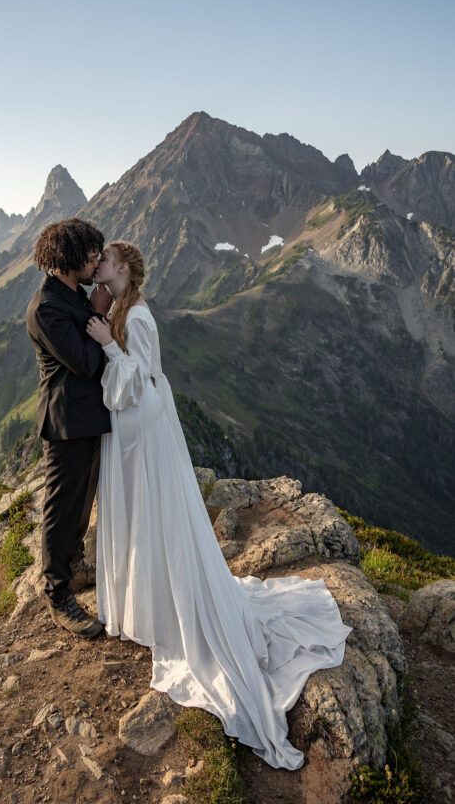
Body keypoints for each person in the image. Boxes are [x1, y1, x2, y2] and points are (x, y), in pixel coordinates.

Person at [85, 240, 353, 771]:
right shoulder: (118, 307)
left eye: (106, 261)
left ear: (124, 268)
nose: (99, 267)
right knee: (148, 517)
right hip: (137, 431)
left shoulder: (135, 315)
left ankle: (163, 607)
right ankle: (150, 601)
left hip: (141, 428)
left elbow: (137, 379)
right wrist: (100, 323)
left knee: (153, 516)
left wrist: (106, 346)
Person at [25, 217, 113, 639]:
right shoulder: (46, 307)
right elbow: (85, 362)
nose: (96, 262)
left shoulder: (71, 294)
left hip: (88, 417)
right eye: (90, 255)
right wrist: (98, 318)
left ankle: (75, 565)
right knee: (59, 511)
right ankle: (57, 594)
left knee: (81, 502)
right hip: (65, 422)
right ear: (68, 258)